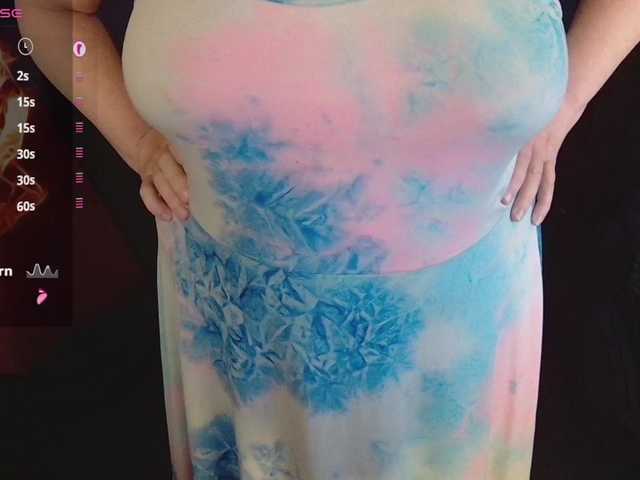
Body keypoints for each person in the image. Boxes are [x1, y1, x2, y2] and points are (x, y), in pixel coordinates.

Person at [18, 1, 640, 478]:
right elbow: (49, 12)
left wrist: (562, 106)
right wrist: (137, 140)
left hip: (459, 333)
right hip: (240, 332)